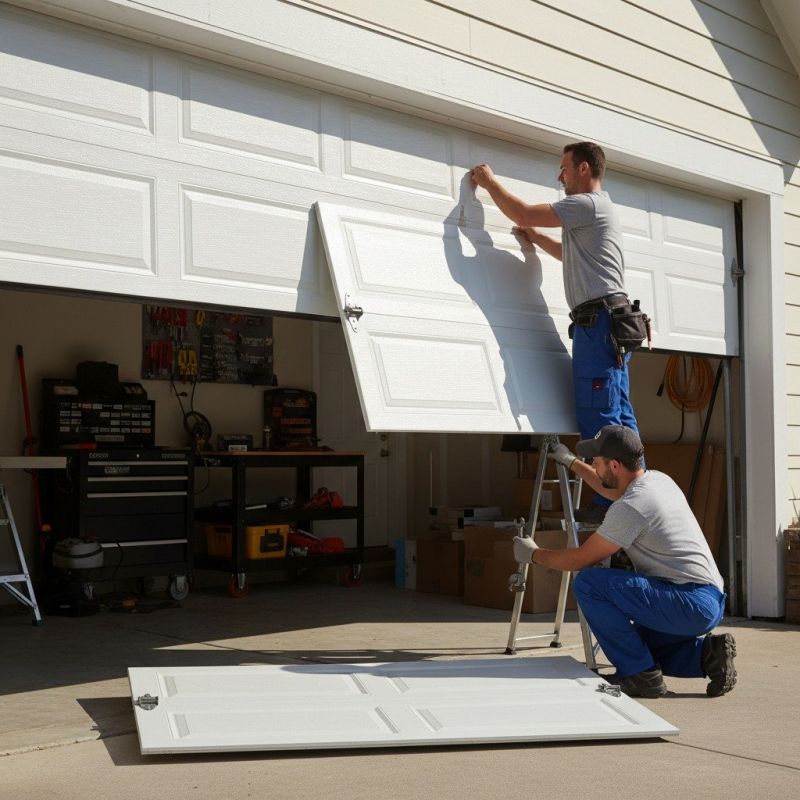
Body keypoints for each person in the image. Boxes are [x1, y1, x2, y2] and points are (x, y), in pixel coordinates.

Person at [471, 143, 641, 520]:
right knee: (617, 413)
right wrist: (535, 240)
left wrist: (489, 181)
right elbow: (572, 256)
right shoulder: (599, 212)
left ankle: (608, 506)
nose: (558, 175)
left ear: (583, 169)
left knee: (600, 415)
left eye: (563, 168)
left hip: (598, 326)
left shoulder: (587, 204)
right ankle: (633, 494)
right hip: (606, 324)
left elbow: (522, 211)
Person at [512, 425, 737, 699]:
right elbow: (607, 487)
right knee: (636, 646)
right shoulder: (657, 481)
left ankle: (639, 678)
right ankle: (708, 657)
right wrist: (570, 461)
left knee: (589, 583)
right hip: (705, 600)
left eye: (597, 460)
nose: (592, 463)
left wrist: (534, 554)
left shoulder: (632, 507)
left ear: (616, 465)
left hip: (688, 602)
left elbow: (581, 559)